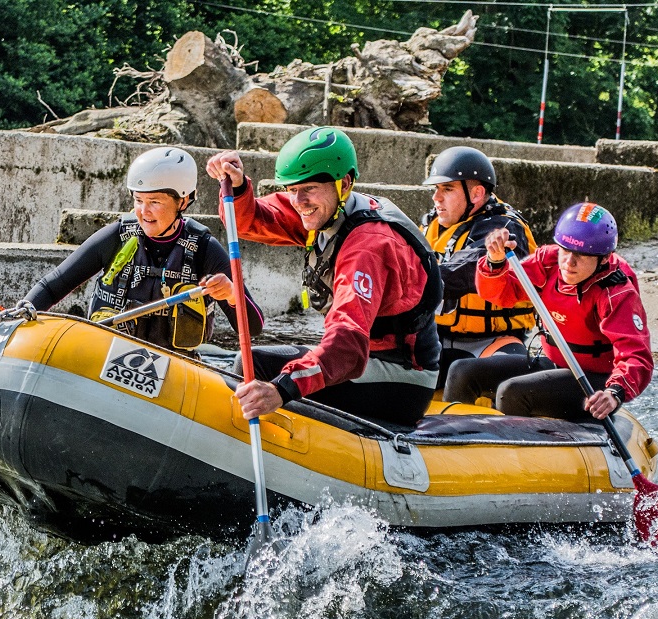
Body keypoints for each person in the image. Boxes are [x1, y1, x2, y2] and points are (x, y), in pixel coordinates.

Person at [205, 126, 442, 428]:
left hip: (401, 378)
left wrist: (282, 389)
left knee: (256, 368)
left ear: (344, 183)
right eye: (292, 189)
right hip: (365, 360)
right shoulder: (326, 209)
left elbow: (348, 342)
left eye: (309, 188)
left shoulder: (367, 247)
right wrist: (237, 186)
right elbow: (249, 221)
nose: (299, 200)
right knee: (249, 362)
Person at [25, 146, 263, 353]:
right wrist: (22, 312)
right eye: (139, 200)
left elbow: (254, 326)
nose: (143, 211)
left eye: (155, 202)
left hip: (174, 367)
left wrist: (232, 294)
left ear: (183, 201)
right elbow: (53, 285)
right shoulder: (118, 235)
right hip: (108, 355)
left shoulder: (203, 247)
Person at [443, 202, 653, 421]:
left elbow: (636, 356)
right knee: (462, 371)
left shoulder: (616, 293)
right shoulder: (548, 262)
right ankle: (448, 438)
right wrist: (494, 262)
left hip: (594, 382)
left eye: (581, 255)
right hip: (554, 363)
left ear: (604, 258)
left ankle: (518, 451)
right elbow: (501, 295)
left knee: (512, 392)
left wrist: (614, 393)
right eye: (566, 251)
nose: (569, 263)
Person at [420, 146, 538, 386]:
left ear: (476, 194)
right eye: (436, 189)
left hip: (494, 342)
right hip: (437, 339)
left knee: (465, 373)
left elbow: (464, 271)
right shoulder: (433, 223)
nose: (436, 197)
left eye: (447, 189)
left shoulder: (504, 229)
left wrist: (407, 279)